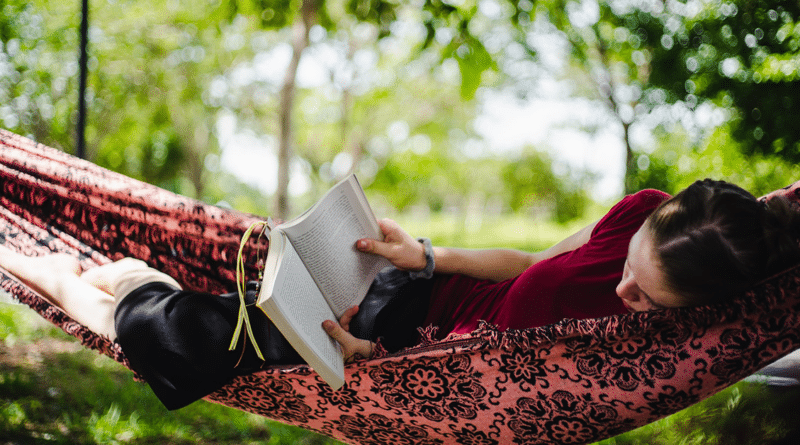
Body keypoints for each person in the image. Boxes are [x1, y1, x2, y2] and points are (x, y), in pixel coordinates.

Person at [1, 179, 798, 410]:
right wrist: (422, 251)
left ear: (693, 313)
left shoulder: (661, 349)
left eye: (646, 299)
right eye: (629, 263)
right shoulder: (636, 213)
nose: (623, 289)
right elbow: (528, 262)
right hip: (400, 299)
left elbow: (481, 382)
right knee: (217, 312)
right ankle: (118, 280)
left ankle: (56, 266)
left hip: (399, 357)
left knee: (184, 332)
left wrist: (368, 357)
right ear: (647, 222)